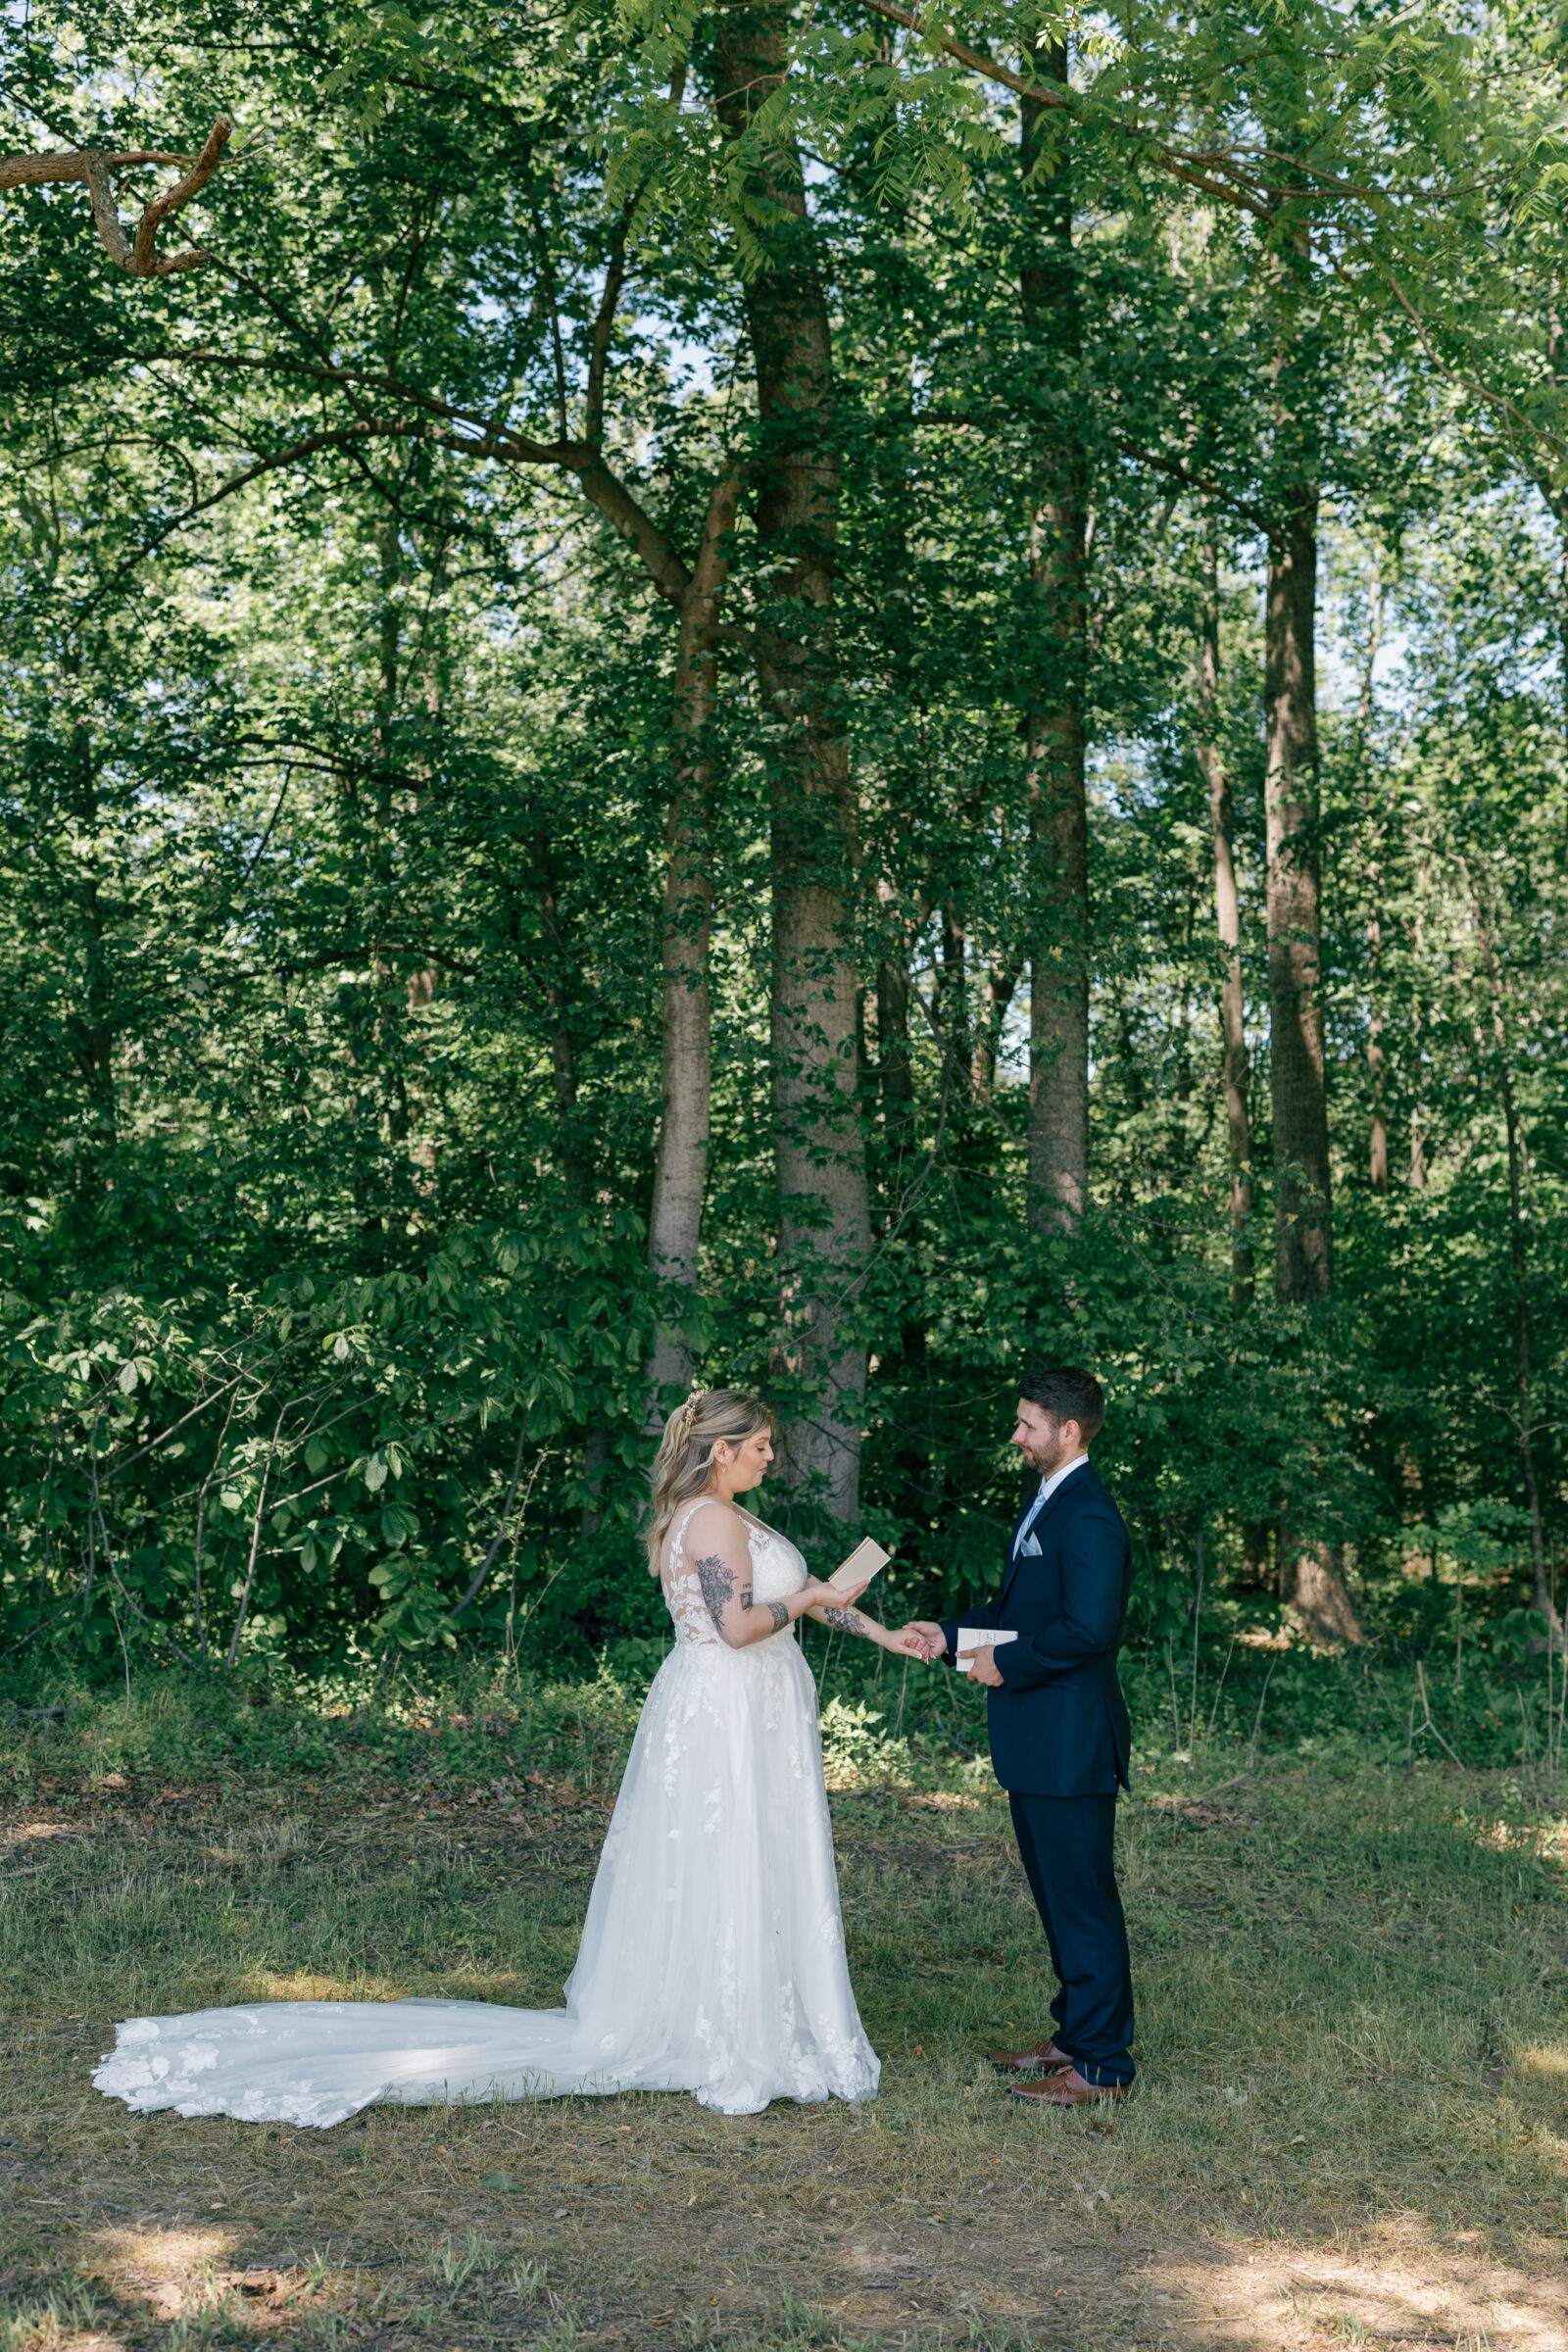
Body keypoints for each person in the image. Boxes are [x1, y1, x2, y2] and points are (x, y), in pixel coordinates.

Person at [94, 1388, 924, 2127]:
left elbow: (793, 1601)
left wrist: (878, 1629)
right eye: (761, 1447)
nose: (771, 1457)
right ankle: (723, 2026)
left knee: (747, 1857)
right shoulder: (708, 1518)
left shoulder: (736, 1516)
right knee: (725, 1855)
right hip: (727, 1710)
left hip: (756, 1707)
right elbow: (742, 1626)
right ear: (720, 1450)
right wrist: (808, 1597)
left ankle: (741, 2005)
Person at [903, 1364, 1136, 2106]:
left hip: (1070, 1742)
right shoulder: (1045, 1501)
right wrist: (945, 1635)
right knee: (1057, 1897)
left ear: (1068, 1431)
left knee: (1084, 1903)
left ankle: (1103, 2067)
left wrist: (1004, 1663)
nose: (1017, 1435)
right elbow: (1027, 1612)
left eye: (1029, 1424)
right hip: (1039, 1741)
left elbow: (1087, 1633)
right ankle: (1074, 2035)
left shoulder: (1090, 1515)